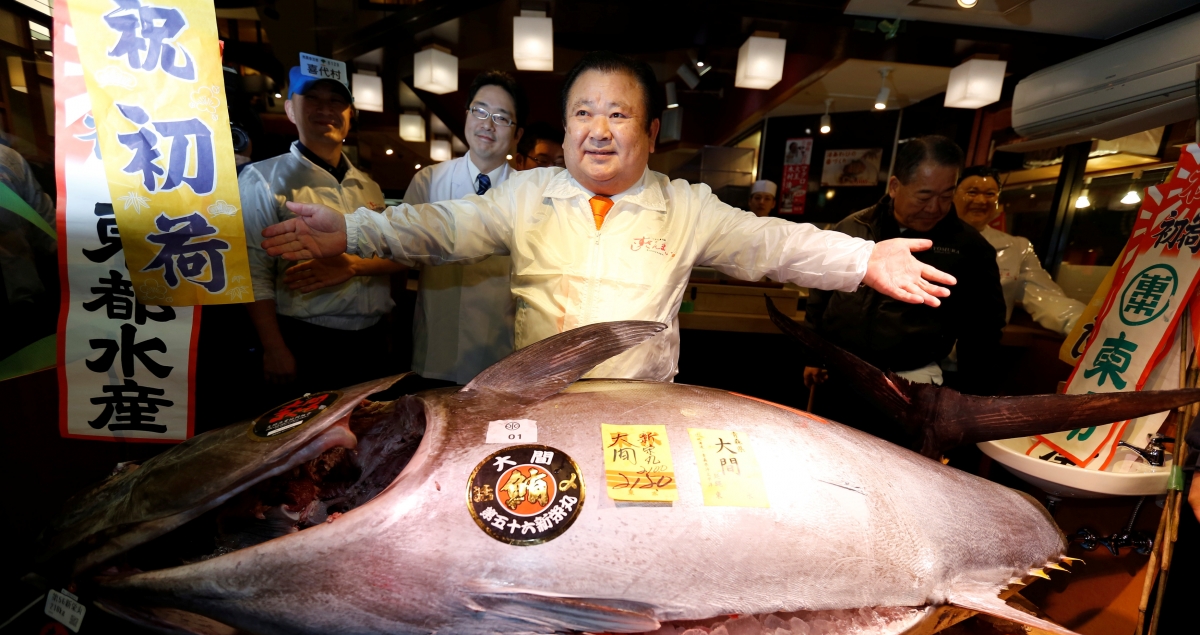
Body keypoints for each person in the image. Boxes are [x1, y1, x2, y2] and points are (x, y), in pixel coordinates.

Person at [263, 51, 957, 383]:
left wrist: (864, 259)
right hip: (534, 396)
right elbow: (436, 228)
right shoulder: (526, 194)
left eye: (618, 114)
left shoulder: (685, 206)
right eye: (583, 114)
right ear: (564, 133)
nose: (599, 130)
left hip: (643, 408)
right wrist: (352, 230)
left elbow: (772, 243)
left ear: (650, 132)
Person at [239, 64, 403, 398]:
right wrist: (274, 347)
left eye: (336, 101)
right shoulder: (263, 179)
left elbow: (397, 255)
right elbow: (251, 271)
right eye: (312, 98)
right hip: (306, 339)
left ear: (350, 115)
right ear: (290, 109)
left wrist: (352, 265)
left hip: (371, 341)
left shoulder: (368, 185)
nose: (326, 109)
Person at [805, 136, 1005, 396]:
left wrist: (972, 394)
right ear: (895, 186)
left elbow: (984, 327)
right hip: (840, 369)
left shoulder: (969, 247)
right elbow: (820, 295)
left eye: (947, 196)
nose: (935, 208)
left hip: (911, 379)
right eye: (924, 196)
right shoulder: (854, 227)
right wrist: (812, 355)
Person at [403, 70, 526, 385]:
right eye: (480, 111)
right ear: (467, 115)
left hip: (500, 355)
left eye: (501, 118)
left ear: (517, 134)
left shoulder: (528, 192)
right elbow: (401, 251)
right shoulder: (429, 182)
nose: (487, 124)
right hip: (436, 351)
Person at [954, 166, 1083, 336]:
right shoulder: (926, 239)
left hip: (980, 351)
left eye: (990, 194)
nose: (980, 201)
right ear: (952, 195)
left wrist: (1084, 324)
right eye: (972, 192)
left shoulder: (1017, 248)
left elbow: (1046, 297)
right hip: (926, 351)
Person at [0, 144, 56, 359]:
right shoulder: (8, 158)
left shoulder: (8, 158)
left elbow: (47, 233)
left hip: (24, 304)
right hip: (24, 300)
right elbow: (48, 236)